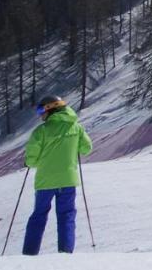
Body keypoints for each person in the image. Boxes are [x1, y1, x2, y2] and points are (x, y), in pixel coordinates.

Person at [22, 96, 93, 256]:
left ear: (51, 109)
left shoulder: (41, 131)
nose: (40, 115)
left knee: (39, 216)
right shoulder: (76, 127)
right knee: (66, 216)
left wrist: (29, 162)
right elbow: (86, 148)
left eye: (41, 111)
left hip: (45, 182)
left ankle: (29, 253)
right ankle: (65, 253)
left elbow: (32, 159)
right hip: (68, 180)